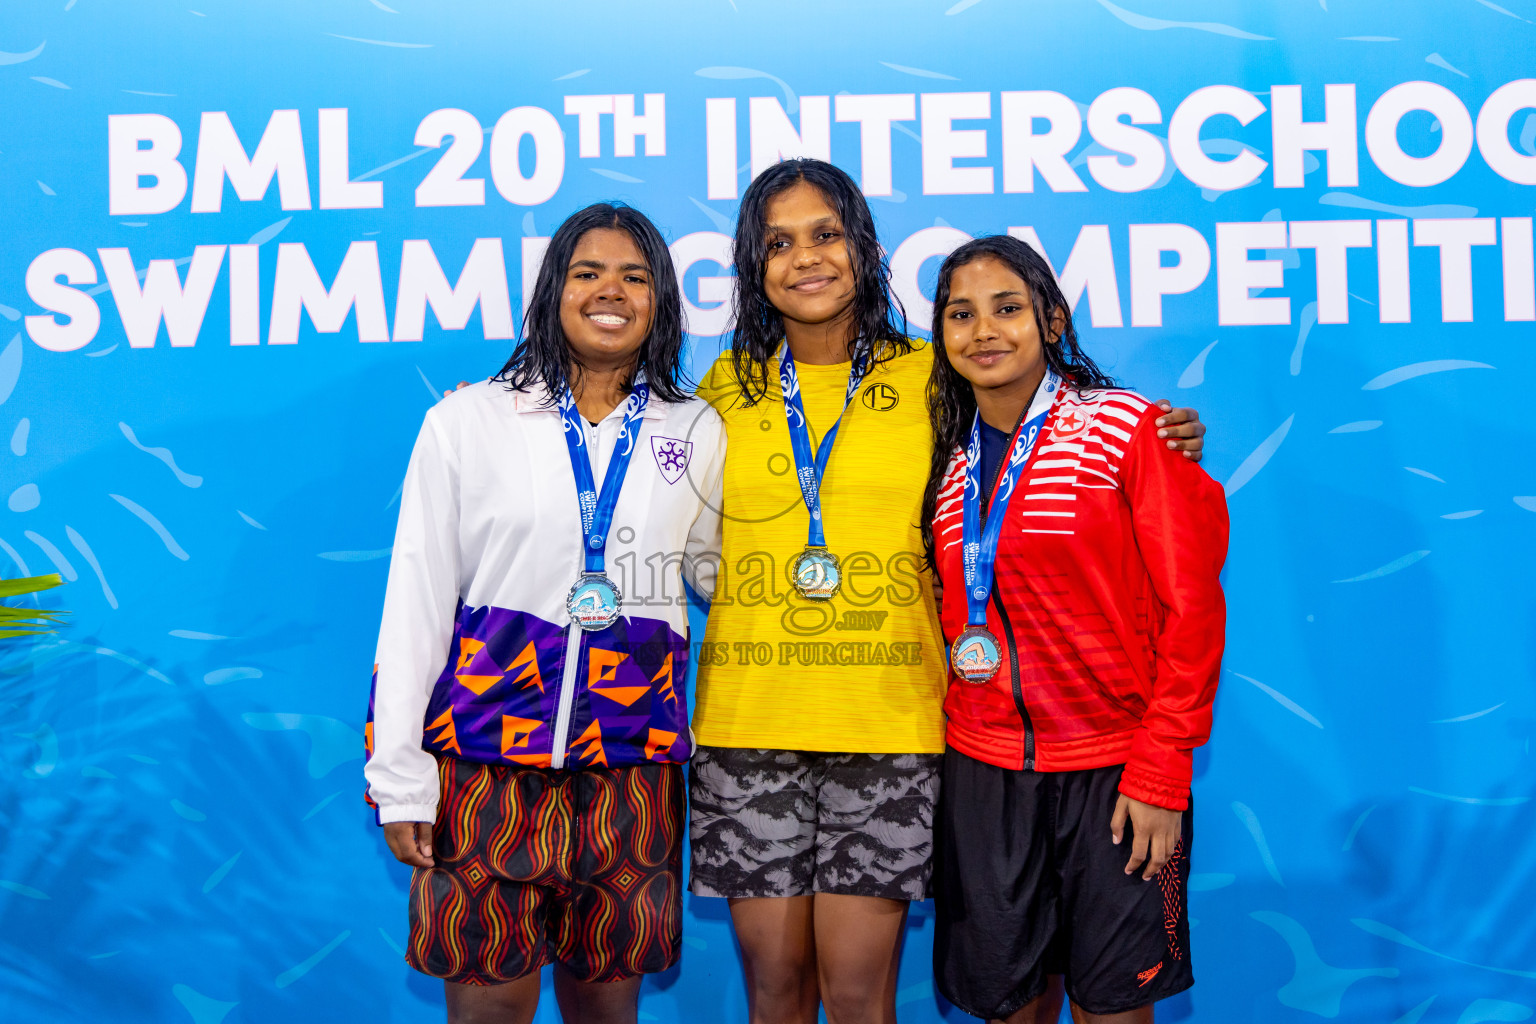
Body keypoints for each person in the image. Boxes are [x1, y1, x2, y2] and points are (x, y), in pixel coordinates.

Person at [687, 158, 1209, 1024]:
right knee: (774, 993)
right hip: (747, 723)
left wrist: (1166, 437)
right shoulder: (723, 389)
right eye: (779, 243)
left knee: (860, 994)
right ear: (752, 264)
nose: (805, 258)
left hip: (893, 725)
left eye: (825, 234)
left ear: (861, 246)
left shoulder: (937, 375)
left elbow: (1046, 427)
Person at [364, 203, 726, 1024]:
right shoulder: (468, 421)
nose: (612, 291)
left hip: (630, 772)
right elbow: (416, 600)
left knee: (608, 1012)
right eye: (588, 272)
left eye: (636, 277)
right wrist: (400, 781)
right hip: (486, 766)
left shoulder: (696, 429)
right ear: (552, 292)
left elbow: (713, 572)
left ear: (661, 302)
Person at [920, 235, 1228, 1024]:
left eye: (1007, 308)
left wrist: (1161, 768)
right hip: (985, 773)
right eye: (961, 314)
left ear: (1052, 320)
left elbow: (1191, 608)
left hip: (1117, 771)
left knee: (1113, 1009)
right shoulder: (945, 463)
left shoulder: (1126, 430)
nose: (984, 330)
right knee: (1008, 1006)